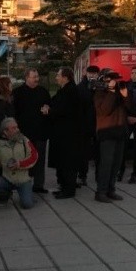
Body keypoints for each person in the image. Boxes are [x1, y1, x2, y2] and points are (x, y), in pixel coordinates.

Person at [94, 70, 132, 202]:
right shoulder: (100, 92)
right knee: (106, 163)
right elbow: (104, 110)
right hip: (107, 132)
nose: (116, 82)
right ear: (105, 80)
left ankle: (111, 189)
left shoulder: (119, 91)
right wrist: (110, 91)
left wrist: (125, 95)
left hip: (120, 131)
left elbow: (130, 107)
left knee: (116, 163)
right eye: (113, 79)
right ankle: (101, 192)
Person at [12, 68, 51, 194]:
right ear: (26, 78)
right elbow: (13, 112)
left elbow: (49, 105)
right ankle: (24, 184)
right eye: (34, 77)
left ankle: (39, 185)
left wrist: (47, 107)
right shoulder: (18, 92)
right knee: (25, 159)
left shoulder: (43, 91)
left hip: (41, 132)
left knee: (40, 159)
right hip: (24, 133)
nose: (37, 79)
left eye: (37, 76)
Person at [0, 117, 39, 209]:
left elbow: (34, 156)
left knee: (27, 205)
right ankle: (5, 196)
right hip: (7, 178)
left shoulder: (24, 140)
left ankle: (27, 194)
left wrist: (20, 164)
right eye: (14, 128)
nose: (17, 130)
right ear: (5, 132)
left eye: (17, 127)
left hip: (23, 180)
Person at [45, 67, 82, 199]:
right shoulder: (64, 90)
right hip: (62, 133)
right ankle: (64, 186)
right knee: (62, 162)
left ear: (65, 77)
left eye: (58, 75)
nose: (56, 77)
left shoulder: (70, 91)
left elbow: (64, 110)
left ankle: (68, 190)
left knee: (68, 163)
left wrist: (49, 111)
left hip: (68, 134)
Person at [76, 65, 100, 187]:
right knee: (83, 152)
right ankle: (82, 175)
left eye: (95, 74)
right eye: (90, 73)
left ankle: (99, 175)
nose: (92, 76)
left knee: (98, 152)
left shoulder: (100, 87)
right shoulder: (80, 87)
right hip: (84, 124)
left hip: (99, 124)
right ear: (86, 74)